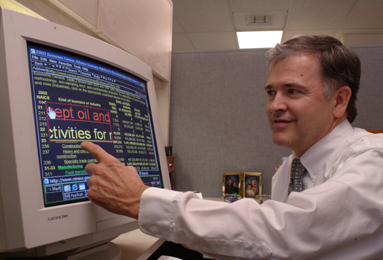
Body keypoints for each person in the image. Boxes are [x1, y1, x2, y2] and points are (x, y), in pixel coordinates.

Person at [81, 35, 383, 259]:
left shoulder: (373, 161)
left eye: (292, 91)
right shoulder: (292, 168)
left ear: (339, 101)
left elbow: (286, 233)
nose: (275, 105)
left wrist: (142, 200)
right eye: (271, 92)